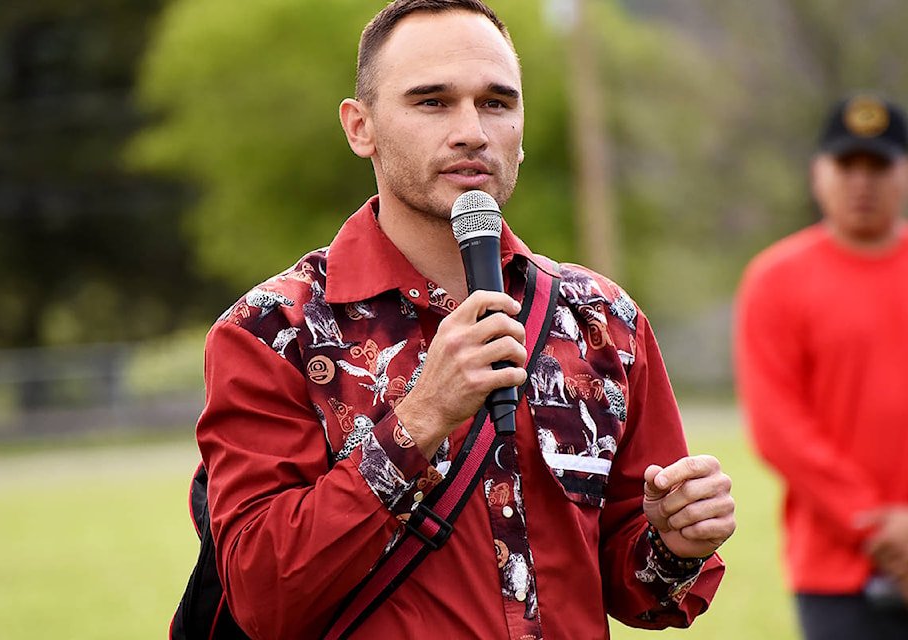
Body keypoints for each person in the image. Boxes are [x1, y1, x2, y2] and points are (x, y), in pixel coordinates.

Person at [196, 1, 736, 638]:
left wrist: (674, 543)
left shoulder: (604, 320)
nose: (472, 131)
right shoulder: (272, 332)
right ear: (359, 127)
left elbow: (632, 588)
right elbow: (265, 601)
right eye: (432, 102)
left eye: (497, 103)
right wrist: (421, 419)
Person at [734, 93, 908, 640]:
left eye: (878, 166)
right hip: (834, 572)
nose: (863, 181)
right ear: (818, 174)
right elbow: (779, 427)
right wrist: (878, 526)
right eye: (847, 164)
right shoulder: (775, 281)